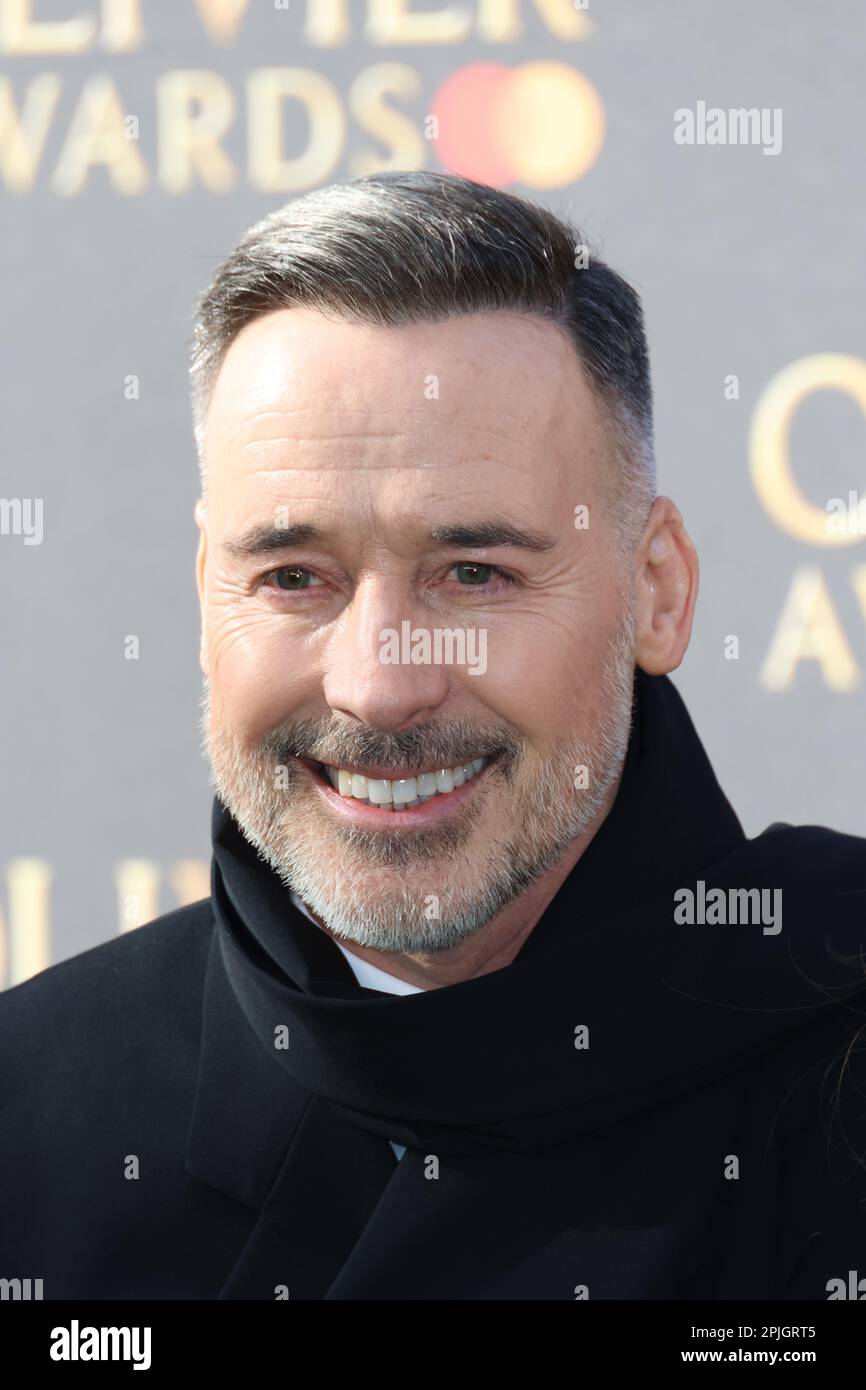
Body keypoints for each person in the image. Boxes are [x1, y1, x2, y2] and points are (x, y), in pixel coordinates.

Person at [2, 171, 865, 1301]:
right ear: (205, 601)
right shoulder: (34, 1111)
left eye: (472, 574)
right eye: (293, 576)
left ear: (654, 592)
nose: (378, 686)